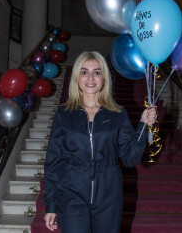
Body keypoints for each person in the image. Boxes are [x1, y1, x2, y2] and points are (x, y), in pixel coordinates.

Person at [43, 51, 157, 233]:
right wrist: (50, 204)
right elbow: (53, 161)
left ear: (104, 78)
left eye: (97, 72)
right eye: (84, 71)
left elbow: (129, 158)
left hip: (109, 193)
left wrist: (143, 125)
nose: (90, 77)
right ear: (77, 78)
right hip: (71, 190)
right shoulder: (64, 114)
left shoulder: (118, 114)